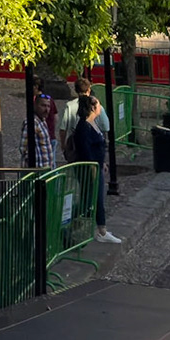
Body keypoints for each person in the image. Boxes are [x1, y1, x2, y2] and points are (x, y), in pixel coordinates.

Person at [72, 93, 121, 244]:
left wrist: (102, 162)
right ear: (93, 108)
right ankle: (101, 230)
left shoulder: (93, 124)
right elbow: (86, 149)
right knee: (95, 198)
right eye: (98, 105)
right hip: (90, 168)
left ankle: (79, 224)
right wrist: (94, 166)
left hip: (97, 165)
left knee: (91, 199)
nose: (100, 107)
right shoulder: (84, 126)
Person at [22, 93, 56, 168]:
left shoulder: (43, 121)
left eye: (48, 106)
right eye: (43, 106)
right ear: (35, 106)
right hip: (37, 171)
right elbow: (23, 148)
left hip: (46, 170)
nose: (47, 109)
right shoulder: (32, 122)